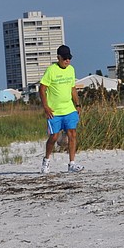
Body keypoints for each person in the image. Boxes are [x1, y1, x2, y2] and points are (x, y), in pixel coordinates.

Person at [40, 45, 84, 174]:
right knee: (54, 137)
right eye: (64, 58)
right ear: (58, 57)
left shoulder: (71, 70)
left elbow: (72, 88)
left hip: (69, 109)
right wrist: (46, 107)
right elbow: (42, 89)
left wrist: (78, 104)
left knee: (72, 134)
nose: (67, 61)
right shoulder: (51, 70)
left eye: (69, 58)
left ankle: (72, 163)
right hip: (54, 111)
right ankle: (46, 160)